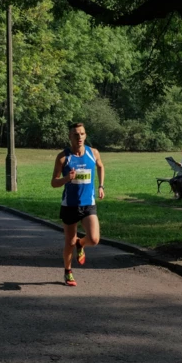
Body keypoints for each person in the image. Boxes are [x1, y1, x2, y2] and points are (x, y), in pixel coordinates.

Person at [50, 123, 105, 287]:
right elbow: (54, 182)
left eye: (82, 134)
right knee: (69, 242)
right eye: (75, 134)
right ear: (70, 137)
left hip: (88, 203)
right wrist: (66, 179)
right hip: (70, 205)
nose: (79, 137)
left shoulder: (93, 153)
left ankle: (82, 243)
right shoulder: (63, 157)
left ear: (85, 135)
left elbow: (101, 167)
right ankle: (68, 271)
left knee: (94, 239)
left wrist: (101, 186)